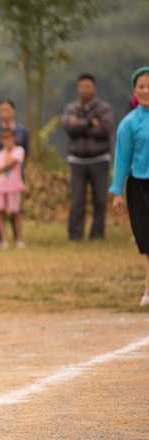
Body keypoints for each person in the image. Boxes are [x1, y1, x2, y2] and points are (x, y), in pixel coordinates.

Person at [109, 66, 149, 307]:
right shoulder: (129, 123)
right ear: (134, 90)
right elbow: (122, 158)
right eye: (142, 86)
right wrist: (116, 191)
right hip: (139, 186)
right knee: (146, 238)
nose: (146, 90)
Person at [61, 73, 114, 242]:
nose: (84, 90)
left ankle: (97, 234)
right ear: (77, 89)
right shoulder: (71, 108)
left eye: (87, 86)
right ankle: (75, 235)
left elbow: (106, 128)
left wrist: (80, 124)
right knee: (77, 200)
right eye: (81, 87)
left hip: (99, 159)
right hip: (77, 160)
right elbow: (69, 127)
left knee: (100, 199)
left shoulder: (104, 108)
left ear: (94, 88)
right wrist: (91, 122)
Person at [0, 99, 29, 247]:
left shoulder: (22, 130)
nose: (5, 113)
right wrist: (0, 166)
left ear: (13, 111)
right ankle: (0, 239)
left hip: (15, 178)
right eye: (2, 110)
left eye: (7, 110)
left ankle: (18, 238)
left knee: (15, 211)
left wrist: (5, 162)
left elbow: (24, 153)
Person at [0, 128, 26, 249]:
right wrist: (5, 156)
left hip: (14, 186)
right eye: (4, 139)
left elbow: (9, 163)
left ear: (14, 138)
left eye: (9, 138)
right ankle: (4, 240)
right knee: (0, 212)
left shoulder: (19, 151)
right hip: (1, 187)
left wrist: (6, 152)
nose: (7, 141)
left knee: (14, 212)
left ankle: (18, 239)